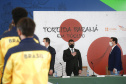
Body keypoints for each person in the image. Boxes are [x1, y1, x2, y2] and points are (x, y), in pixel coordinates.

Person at [2, 17, 51, 84]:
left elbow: (6, 80)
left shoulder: (12, 52)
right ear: (33, 31)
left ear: (19, 32)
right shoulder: (46, 52)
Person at [0, 7, 39, 83]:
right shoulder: (34, 38)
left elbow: (1, 65)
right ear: (25, 20)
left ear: (13, 20)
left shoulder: (3, 38)